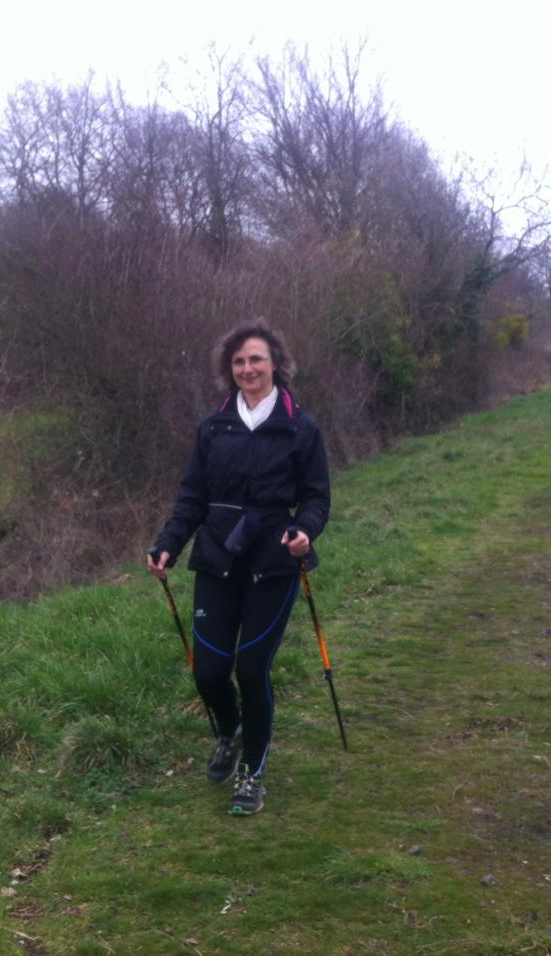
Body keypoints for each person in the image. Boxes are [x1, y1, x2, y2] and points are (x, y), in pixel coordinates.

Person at [147, 323, 330, 816]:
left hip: (273, 559)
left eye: (256, 360)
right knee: (208, 671)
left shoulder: (300, 427)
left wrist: (305, 531)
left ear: (276, 364)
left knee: (251, 670)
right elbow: (192, 497)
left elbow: (316, 497)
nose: (247, 369)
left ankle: (252, 774)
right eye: (238, 363)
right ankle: (229, 732)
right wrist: (168, 544)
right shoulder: (214, 427)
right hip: (218, 556)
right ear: (230, 371)